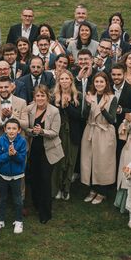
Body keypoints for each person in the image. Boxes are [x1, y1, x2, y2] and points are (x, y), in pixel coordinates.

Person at [0, 76, 29, 213]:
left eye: (6, 87)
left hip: (19, 145)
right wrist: (1, 118)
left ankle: (20, 203)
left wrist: (11, 118)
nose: (3, 89)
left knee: (20, 175)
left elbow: (26, 125)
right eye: (0, 87)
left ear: (12, 87)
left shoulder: (21, 102)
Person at [26, 85, 64, 224]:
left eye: (43, 96)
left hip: (49, 151)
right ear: (34, 97)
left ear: (48, 97)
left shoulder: (54, 111)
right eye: (38, 96)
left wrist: (42, 131)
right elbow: (25, 128)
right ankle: (36, 205)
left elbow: (55, 132)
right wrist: (32, 131)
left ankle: (45, 213)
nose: (40, 98)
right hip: (33, 150)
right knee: (34, 179)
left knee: (45, 180)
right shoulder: (29, 109)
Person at [80, 72, 117, 205]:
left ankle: (102, 191)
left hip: (104, 131)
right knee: (90, 161)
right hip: (90, 130)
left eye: (101, 82)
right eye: (96, 82)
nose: (99, 84)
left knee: (103, 162)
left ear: (106, 83)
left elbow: (112, 120)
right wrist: (89, 104)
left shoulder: (112, 98)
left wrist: (102, 109)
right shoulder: (90, 96)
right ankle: (92, 189)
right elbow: (84, 115)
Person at [0, 118, 27, 234]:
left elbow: (22, 159)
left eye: (14, 128)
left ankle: (19, 221)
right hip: (3, 175)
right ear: (5, 130)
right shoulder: (0, 141)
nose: (11, 131)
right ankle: (0, 220)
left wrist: (15, 154)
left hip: (17, 175)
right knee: (2, 198)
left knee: (17, 199)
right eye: (9, 128)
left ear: (19, 130)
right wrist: (8, 154)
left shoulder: (22, 141)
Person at [51, 70, 83, 200]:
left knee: (70, 161)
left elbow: (79, 116)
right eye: (61, 79)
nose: (64, 81)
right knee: (59, 161)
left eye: (67, 78)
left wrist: (67, 106)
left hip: (72, 133)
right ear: (58, 81)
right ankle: (57, 187)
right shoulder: (53, 97)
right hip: (58, 133)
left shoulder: (78, 96)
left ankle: (67, 188)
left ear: (71, 80)